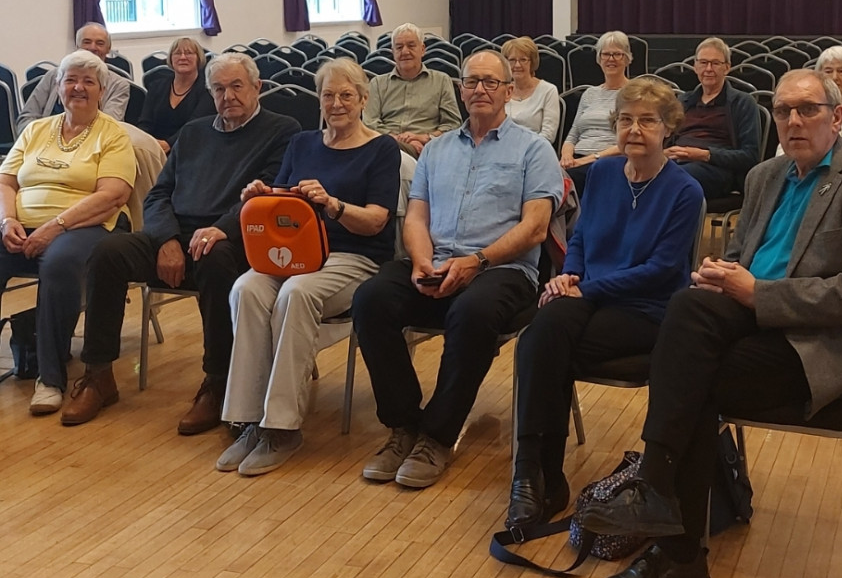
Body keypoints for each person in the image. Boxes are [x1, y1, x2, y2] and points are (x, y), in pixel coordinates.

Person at [575, 70, 842, 578]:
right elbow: (745, 258)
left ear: (837, 116)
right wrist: (720, 272)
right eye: (783, 111)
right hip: (755, 318)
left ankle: (676, 545)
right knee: (686, 305)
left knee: (692, 378)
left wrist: (757, 293)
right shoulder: (765, 176)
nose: (793, 121)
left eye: (808, 110)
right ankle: (661, 503)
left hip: (830, 345)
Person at [352, 49, 565, 490]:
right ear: (460, 90)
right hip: (435, 263)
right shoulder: (437, 150)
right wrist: (421, 260)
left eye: (490, 82)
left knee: (472, 313)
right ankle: (403, 426)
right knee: (371, 298)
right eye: (471, 81)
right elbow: (415, 218)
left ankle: (437, 436)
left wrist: (477, 261)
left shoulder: (534, 149)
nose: (480, 90)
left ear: (508, 91)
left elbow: (536, 228)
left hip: (501, 271)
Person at [506, 77, 704, 530]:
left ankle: (537, 476)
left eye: (647, 121)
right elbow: (579, 239)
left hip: (647, 310)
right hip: (589, 296)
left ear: (668, 129)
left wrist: (585, 288)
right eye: (626, 120)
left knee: (543, 348)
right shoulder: (602, 173)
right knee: (543, 335)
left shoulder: (684, 192)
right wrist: (569, 274)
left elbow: (660, 270)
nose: (634, 130)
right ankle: (535, 474)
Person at [63, 54, 298, 431]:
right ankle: (99, 375)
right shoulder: (194, 132)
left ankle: (218, 382)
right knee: (107, 252)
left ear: (258, 88)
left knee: (216, 259)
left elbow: (268, 197)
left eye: (237, 86)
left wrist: (219, 229)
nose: (228, 96)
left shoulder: (282, 130)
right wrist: (167, 240)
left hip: (234, 236)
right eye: (219, 88)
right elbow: (158, 196)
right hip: (176, 231)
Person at [218, 59, 401, 475]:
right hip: (298, 253)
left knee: (296, 292)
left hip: (353, 256)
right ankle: (248, 419)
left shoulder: (381, 147)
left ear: (363, 99)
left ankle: (282, 426)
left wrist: (333, 205)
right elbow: (285, 203)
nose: (336, 104)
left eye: (345, 95)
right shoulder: (302, 143)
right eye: (328, 95)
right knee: (244, 289)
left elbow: (376, 221)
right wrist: (262, 195)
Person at [0, 51, 136, 415]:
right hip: (23, 225)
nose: (78, 87)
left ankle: (50, 378)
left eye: (88, 81)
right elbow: (6, 180)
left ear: (101, 90)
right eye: (70, 80)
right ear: (58, 87)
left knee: (58, 264)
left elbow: (113, 195)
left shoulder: (113, 135)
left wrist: (54, 226)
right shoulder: (36, 130)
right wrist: (7, 219)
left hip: (88, 225)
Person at [664, 37, 759, 196]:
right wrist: (664, 153)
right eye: (703, 63)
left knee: (672, 179)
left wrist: (705, 154)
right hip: (676, 162)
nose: (708, 68)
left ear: (727, 68)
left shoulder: (742, 102)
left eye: (715, 63)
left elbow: (750, 156)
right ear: (695, 67)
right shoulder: (683, 102)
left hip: (716, 169)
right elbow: (664, 140)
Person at [363, 23, 461, 157]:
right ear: (393, 52)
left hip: (428, 149)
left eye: (411, 46)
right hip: (385, 147)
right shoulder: (377, 84)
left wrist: (424, 138)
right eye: (399, 47)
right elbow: (369, 124)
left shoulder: (442, 81)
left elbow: (453, 125)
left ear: (422, 49)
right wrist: (399, 141)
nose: (405, 51)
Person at [16, 24, 130, 131]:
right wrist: (44, 139)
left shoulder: (118, 85)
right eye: (87, 42)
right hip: (44, 145)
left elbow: (109, 127)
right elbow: (26, 119)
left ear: (108, 49)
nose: (93, 47)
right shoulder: (53, 76)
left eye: (100, 43)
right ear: (77, 46)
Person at [559, 30, 630, 195]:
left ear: (627, 59)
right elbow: (573, 134)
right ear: (599, 59)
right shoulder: (589, 93)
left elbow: (627, 141)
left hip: (610, 159)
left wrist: (590, 158)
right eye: (606, 54)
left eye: (617, 54)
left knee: (567, 179)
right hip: (578, 159)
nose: (610, 59)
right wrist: (566, 157)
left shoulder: (632, 93)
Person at [138, 36, 215, 151]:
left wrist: (168, 144)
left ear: (199, 58)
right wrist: (146, 144)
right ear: (171, 59)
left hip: (191, 147)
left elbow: (194, 126)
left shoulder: (207, 89)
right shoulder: (156, 86)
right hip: (154, 148)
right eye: (177, 53)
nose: (183, 57)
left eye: (189, 53)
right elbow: (145, 122)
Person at [502, 36, 560, 143]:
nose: (517, 65)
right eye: (512, 60)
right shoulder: (501, 89)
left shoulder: (548, 90)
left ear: (532, 62)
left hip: (534, 151)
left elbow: (548, 135)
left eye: (523, 60)